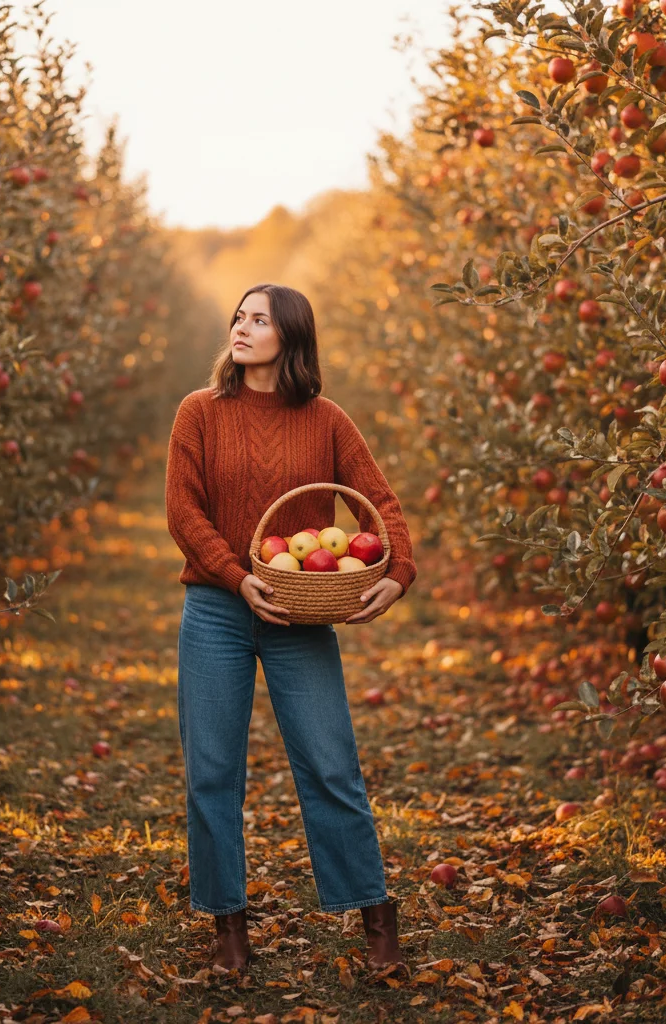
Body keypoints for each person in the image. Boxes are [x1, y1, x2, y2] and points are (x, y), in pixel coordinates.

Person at [165, 282, 418, 974]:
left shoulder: (327, 420)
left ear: (290, 338)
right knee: (212, 773)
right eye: (238, 318)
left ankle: (374, 916)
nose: (241, 328)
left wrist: (397, 574)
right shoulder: (199, 413)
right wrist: (233, 573)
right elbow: (183, 513)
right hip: (218, 608)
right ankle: (229, 929)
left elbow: (381, 506)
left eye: (258, 320)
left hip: (299, 609)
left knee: (331, 764)